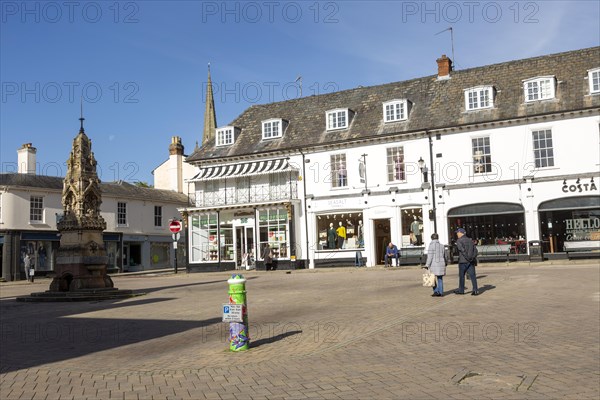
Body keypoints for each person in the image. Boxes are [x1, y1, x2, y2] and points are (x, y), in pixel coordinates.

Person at [454, 228, 479, 296]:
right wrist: (472, 257)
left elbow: (462, 250)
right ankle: (475, 290)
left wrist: (467, 257)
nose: (457, 234)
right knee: (473, 276)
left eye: (457, 233)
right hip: (470, 261)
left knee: (462, 276)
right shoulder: (470, 240)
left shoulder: (459, 240)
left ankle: (461, 290)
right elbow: (476, 251)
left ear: (461, 233)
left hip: (463, 261)